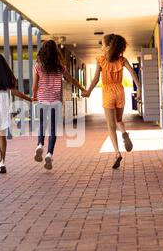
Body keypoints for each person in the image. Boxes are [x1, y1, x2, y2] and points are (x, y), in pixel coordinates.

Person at [82, 34, 141, 169]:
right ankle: (124, 133)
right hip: (120, 91)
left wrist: (89, 91)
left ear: (108, 47)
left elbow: (96, 79)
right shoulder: (122, 60)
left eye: (102, 45)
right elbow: (133, 73)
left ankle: (117, 153)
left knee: (110, 125)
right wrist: (139, 88)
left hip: (108, 92)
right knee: (118, 120)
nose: (101, 47)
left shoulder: (100, 60)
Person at [32, 40, 86, 170]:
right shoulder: (59, 66)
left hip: (42, 99)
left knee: (42, 125)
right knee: (52, 129)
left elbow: (34, 85)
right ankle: (49, 154)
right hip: (54, 101)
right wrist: (82, 89)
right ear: (56, 52)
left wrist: (34, 96)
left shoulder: (38, 66)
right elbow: (71, 79)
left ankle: (40, 145)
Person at [0, 54, 33, 173]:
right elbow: (14, 91)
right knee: (2, 135)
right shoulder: (7, 75)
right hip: (3, 104)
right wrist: (29, 99)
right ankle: (2, 163)